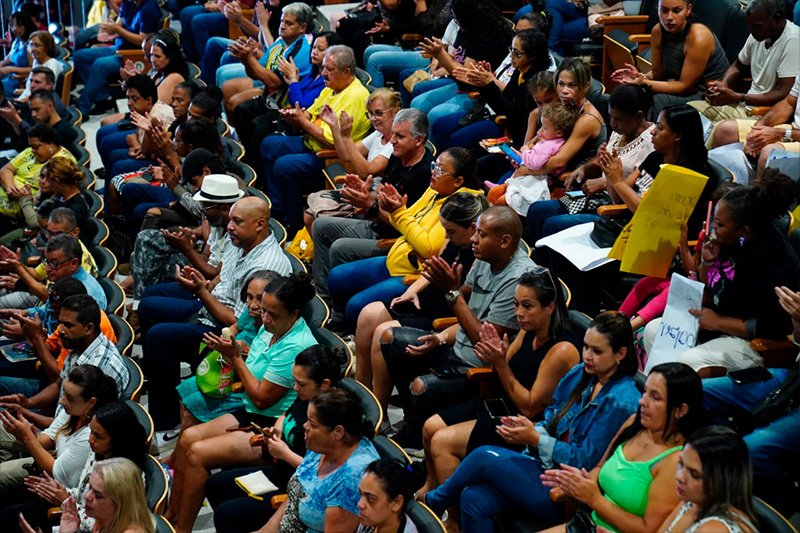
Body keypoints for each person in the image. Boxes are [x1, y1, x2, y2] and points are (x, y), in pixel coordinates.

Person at [421, 311, 640, 531]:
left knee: (483, 456)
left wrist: (536, 439)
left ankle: (431, 501)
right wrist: (532, 429)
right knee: (473, 498)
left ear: (620, 353)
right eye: (586, 347)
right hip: (542, 463)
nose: (587, 356)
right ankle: (435, 503)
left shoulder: (621, 403)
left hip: (565, 488)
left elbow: (584, 461)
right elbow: (552, 414)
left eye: (597, 351)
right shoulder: (580, 374)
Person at [163, 273, 318, 533]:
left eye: (273, 314)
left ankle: (182, 529)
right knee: (188, 437)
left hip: (268, 424)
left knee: (197, 454)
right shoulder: (271, 329)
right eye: (264, 311)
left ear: (294, 314)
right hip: (250, 409)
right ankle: (172, 516)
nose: (264, 319)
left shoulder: (296, 347)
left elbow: (261, 397)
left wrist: (234, 357)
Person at [379, 207, 536, 446]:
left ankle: (419, 437)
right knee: (390, 338)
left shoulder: (519, 280)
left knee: (420, 386)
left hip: (479, 370)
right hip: (456, 346)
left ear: (504, 241)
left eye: (481, 234)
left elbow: (484, 340)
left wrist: (451, 292)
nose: (473, 239)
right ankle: (414, 422)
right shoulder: (485, 258)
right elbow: (461, 303)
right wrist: (441, 337)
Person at [420, 268, 580, 496]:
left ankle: (452, 521)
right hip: (499, 403)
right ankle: (430, 489)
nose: (519, 313)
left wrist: (501, 364)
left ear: (550, 307)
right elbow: (499, 367)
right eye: (516, 304)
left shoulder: (562, 350)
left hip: (523, 425)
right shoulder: (529, 330)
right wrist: (494, 357)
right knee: (430, 427)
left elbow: (529, 406)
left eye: (527, 306)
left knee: (442, 442)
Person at [139, 195, 291, 431]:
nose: (229, 227)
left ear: (260, 224)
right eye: (230, 220)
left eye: (237, 221)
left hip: (237, 334)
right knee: (148, 305)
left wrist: (202, 292)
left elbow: (239, 321)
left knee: (159, 337)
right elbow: (220, 276)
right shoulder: (241, 242)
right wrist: (204, 286)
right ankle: (159, 378)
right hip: (214, 307)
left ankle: (165, 421)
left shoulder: (265, 266)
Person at [643, 174, 799, 375]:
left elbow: (772, 326)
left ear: (744, 230)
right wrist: (707, 262)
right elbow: (707, 284)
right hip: (714, 325)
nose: (714, 229)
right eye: (714, 220)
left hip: (752, 343)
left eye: (720, 224)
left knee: (688, 363)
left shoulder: (774, 261)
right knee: (654, 332)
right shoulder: (727, 241)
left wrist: (718, 322)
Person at [540, 362, 704, 533]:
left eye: (655, 397)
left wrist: (594, 499)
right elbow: (599, 467)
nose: (643, 401)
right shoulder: (634, 422)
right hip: (587, 524)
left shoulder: (676, 460)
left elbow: (648, 529)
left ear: (681, 410)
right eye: (645, 392)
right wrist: (581, 482)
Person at [327, 150, 483, 325]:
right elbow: (407, 222)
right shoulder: (435, 190)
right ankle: (339, 322)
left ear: (458, 181)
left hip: (413, 273)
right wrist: (391, 210)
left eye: (440, 170)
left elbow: (428, 247)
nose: (433, 172)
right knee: (336, 277)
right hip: (397, 257)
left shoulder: (461, 206)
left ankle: (351, 333)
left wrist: (400, 214)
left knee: (356, 306)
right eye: (434, 166)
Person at [206, 345, 346, 533]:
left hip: (298, 485)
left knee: (228, 514)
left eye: (301, 384)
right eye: (295, 381)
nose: (295, 388)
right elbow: (285, 414)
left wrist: (285, 453)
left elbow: (320, 473)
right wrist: (277, 429)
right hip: (281, 469)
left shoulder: (329, 418)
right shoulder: (308, 396)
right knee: (215, 485)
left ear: (325, 385)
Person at [354, 192, 485, 391]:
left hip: (446, 314)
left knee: (383, 331)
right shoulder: (452, 240)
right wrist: (412, 291)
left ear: (473, 228)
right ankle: (361, 390)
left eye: (451, 232)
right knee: (368, 314)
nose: (447, 236)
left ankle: (380, 407)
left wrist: (452, 289)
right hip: (427, 299)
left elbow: (467, 301)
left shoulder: (481, 253)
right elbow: (433, 269)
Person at [311, 108, 433, 301]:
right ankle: (322, 296)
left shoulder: (425, 174)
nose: (392, 140)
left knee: (340, 247)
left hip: (394, 239)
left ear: (419, 140)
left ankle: (338, 315)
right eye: (393, 134)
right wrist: (366, 192)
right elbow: (381, 194)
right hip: (375, 222)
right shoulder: (397, 156)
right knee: (320, 225)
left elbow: (407, 228)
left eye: (399, 136)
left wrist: (370, 205)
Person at [699, 285, 800, 514]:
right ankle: (718, 472)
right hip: (792, 378)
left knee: (751, 449)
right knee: (696, 393)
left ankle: (780, 507)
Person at [259, 45, 371, 232]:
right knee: (269, 144)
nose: (324, 73)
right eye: (323, 68)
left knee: (284, 166)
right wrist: (297, 116)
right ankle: (276, 208)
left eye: (329, 69)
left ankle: (293, 225)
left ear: (347, 71)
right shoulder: (332, 87)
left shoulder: (356, 97)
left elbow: (333, 140)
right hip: (310, 142)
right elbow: (311, 113)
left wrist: (302, 123)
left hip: (330, 155)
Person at [527, 83, 656, 244]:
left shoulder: (652, 143)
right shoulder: (619, 131)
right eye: (611, 117)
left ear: (638, 115)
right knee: (537, 210)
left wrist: (603, 183)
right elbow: (606, 161)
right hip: (595, 196)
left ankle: (555, 267)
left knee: (553, 225)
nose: (613, 124)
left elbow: (637, 189)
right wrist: (587, 167)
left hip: (613, 209)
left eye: (619, 119)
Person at [7, 401, 149, 532]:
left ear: (118, 440)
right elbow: (82, 493)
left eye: (98, 436)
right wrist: (62, 491)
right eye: (91, 431)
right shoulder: (97, 453)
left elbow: (101, 523)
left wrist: (65, 501)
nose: (90, 439)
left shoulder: (125, 476)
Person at [257, 388, 380, 533]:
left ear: (338, 432)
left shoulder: (351, 478)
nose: (305, 426)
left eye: (312, 424)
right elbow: (299, 489)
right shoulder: (323, 445)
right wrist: (268, 528)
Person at [175, 270, 280, 426]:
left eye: (260, 298)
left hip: (245, 381)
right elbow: (236, 327)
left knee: (193, 409)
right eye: (249, 297)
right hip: (227, 365)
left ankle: (193, 440)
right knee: (184, 392)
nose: (253, 304)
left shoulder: (274, 326)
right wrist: (223, 339)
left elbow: (267, 365)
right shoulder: (250, 314)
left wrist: (248, 353)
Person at [0, 364, 117, 503]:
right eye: (64, 394)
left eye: (69, 398)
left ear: (91, 402)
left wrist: (27, 437)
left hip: (58, 484)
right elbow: (48, 437)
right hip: (51, 459)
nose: (61, 401)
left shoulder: (91, 436)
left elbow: (56, 471)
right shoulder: (75, 411)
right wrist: (28, 433)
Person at [599, 105, 716, 237]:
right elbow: (618, 197)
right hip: (631, 228)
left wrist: (618, 182)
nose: (652, 131)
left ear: (677, 135)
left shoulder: (689, 174)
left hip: (661, 242)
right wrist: (610, 173)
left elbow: (649, 214)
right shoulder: (656, 157)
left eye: (660, 127)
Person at [235, 31, 340, 172]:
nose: (314, 52)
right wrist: (293, 83)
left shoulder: (327, 80)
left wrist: (293, 81)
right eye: (314, 47)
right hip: (292, 114)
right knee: (242, 110)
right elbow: (295, 98)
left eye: (320, 50)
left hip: (303, 125)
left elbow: (301, 104)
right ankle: (249, 164)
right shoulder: (314, 72)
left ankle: (253, 172)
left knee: (259, 127)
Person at [304, 87, 401, 232]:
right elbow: (346, 156)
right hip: (362, 191)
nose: (374, 119)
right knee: (309, 215)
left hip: (374, 202)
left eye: (379, 113)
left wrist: (347, 137)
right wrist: (335, 128)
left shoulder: (395, 143)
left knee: (314, 219)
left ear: (396, 112)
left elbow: (367, 171)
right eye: (371, 114)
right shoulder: (377, 135)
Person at [611, 0, 730, 117]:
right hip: (678, 84)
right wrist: (640, 77)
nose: (669, 17)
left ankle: (652, 135)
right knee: (632, 93)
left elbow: (685, 86)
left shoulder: (698, 36)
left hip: (707, 93)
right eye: (664, 10)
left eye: (676, 11)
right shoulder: (657, 31)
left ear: (688, 10)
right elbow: (658, 73)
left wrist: (643, 83)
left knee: (657, 100)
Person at [690, 0, 799, 126]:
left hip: (764, 114)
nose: (752, 31)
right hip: (744, 104)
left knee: (721, 129)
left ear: (778, 19)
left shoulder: (793, 41)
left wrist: (739, 97)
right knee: (688, 112)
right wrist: (724, 85)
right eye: (750, 26)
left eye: (757, 26)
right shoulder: (758, 34)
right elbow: (737, 66)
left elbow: (783, 93)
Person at [514, 58, 607, 191]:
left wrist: (527, 170)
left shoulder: (587, 119)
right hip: (549, 174)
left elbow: (559, 161)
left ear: (586, 86)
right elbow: (538, 139)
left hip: (574, 184)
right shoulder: (564, 108)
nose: (564, 90)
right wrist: (521, 157)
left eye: (571, 85)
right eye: (561, 84)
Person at [657, 426, 758, 533]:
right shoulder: (693, 501)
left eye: (694, 474)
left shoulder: (714, 529)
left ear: (721, 480)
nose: (679, 477)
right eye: (681, 463)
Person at [218, 2, 313, 110]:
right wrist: (245, 59)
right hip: (268, 96)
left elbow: (274, 82)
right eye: (282, 21)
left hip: (284, 107)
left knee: (236, 104)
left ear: (302, 27)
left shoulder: (302, 51)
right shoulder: (280, 43)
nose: (282, 26)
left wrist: (249, 58)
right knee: (230, 97)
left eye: (288, 23)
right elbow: (254, 74)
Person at [488, 103, 580, 215]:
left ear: (559, 132)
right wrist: (521, 157)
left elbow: (535, 164)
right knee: (495, 192)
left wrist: (526, 151)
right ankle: (503, 186)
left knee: (501, 201)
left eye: (544, 128)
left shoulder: (550, 145)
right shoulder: (549, 140)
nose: (539, 132)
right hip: (531, 173)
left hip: (538, 179)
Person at [74, 0, 162, 116]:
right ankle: (103, 98)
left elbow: (143, 40)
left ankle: (81, 109)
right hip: (118, 46)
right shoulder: (128, 2)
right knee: (79, 56)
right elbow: (118, 24)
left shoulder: (149, 8)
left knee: (100, 64)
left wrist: (117, 30)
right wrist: (109, 31)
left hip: (132, 54)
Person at [29, 457, 157, 533]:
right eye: (90, 487)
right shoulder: (106, 520)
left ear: (121, 503)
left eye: (98, 495)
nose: (87, 497)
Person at [713, 74, 800, 173]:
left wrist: (783, 133)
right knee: (726, 130)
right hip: (791, 130)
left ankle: (758, 188)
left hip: (791, 132)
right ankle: (727, 185)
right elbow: (788, 103)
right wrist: (758, 127)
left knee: (770, 153)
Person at [0, 125, 75, 234]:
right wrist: (10, 188)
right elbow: (6, 170)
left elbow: (47, 197)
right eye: (31, 146)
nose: (32, 151)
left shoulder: (61, 163)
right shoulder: (30, 152)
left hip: (19, 216)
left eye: (36, 147)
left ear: (51, 144)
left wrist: (24, 198)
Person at [356, 459, 427, 533]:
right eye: (361, 494)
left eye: (370, 499)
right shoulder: (369, 521)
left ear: (397, 503)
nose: (360, 504)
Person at [16, 31, 62, 104]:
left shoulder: (53, 64)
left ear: (47, 47)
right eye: (31, 45)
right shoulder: (36, 61)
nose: (33, 49)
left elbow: (44, 93)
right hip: (24, 100)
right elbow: (29, 89)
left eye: (37, 45)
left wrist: (22, 101)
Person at [0, 11, 36, 98]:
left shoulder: (31, 44)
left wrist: (10, 69)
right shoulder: (17, 41)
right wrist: (1, 64)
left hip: (19, 80)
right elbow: (8, 59)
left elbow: (33, 68)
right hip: (8, 76)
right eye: (12, 25)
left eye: (18, 25)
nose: (14, 28)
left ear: (26, 25)